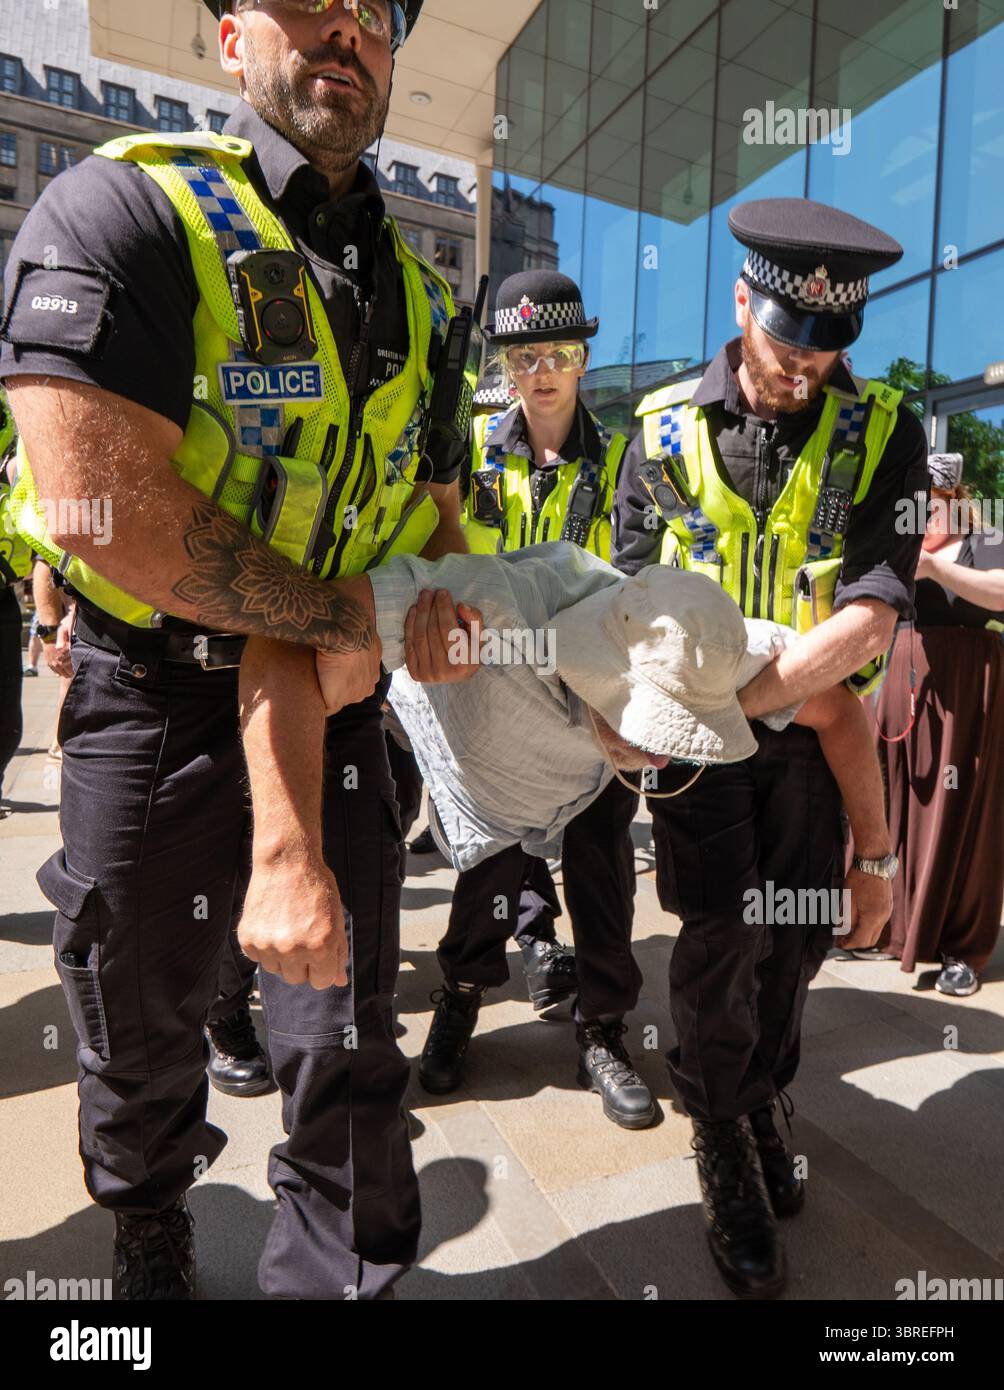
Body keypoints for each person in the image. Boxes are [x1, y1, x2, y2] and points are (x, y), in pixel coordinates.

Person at [2, 0, 476, 1301]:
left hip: (342, 712)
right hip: (155, 700)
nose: (345, 28)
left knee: (351, 1045)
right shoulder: (125, 216)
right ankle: (150, 1210)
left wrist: (440, 595)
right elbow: (108, 510)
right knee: (138, 1020)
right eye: (303, 1)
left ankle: (341, 1275)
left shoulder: (433, 307)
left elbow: (443, 516)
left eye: (373, 12)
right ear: (227, 41)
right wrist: (340, 616)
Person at [612, 197, 929, 1298]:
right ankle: (718, 1135)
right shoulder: (653, 431)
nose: (807, 364)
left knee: (792, 941)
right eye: (788, 337)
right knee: (715, 941)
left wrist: (750, 702)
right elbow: (622, 603)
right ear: (740, 301)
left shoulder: (886, 427)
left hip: (805, 743)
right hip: (693, 754)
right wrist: (668, 714)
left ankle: (758, 1093)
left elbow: (873, 607)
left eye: (830, 342)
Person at [419, 269, 645, 1125]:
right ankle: (462, 999)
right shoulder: (470, 450)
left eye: (559, 352)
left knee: (600, 856)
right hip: (491, 688)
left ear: (585, 357)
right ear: (505, 364)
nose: (541, 370)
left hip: (588, 691)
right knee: (490, 855)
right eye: (522, 356)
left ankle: (603, 1028)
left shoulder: (625, 461)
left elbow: (633, 585)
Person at [871, 453, 1004, 995]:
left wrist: (934, 568)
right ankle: (894, 926)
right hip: (901, 680)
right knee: (893, 806)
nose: (922, 511)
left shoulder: (983, 534)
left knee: (963, 813)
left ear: (954, 499)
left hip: (971, 687)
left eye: (932, 500)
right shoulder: (895, 537)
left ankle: (962, 947)